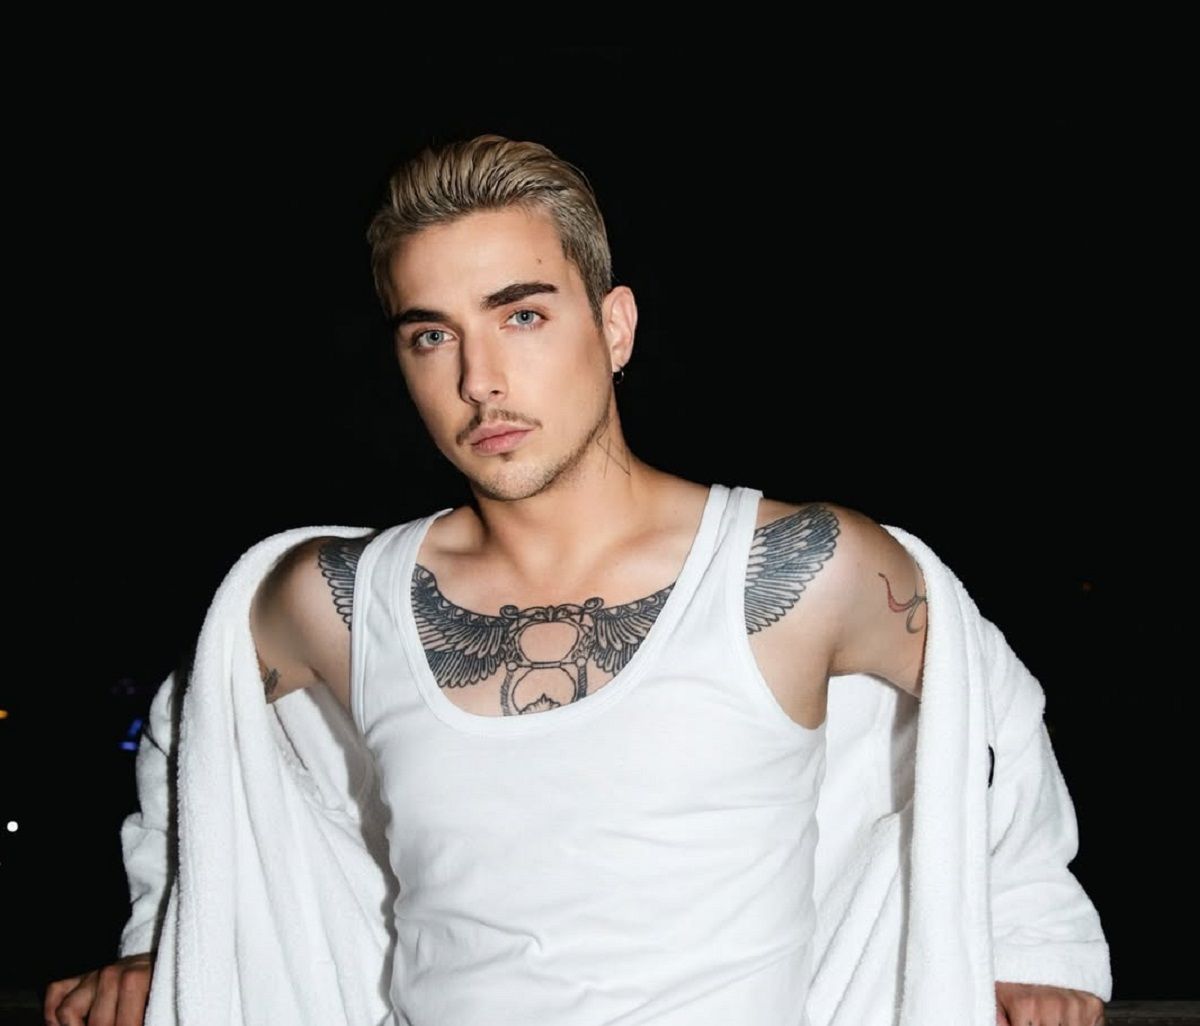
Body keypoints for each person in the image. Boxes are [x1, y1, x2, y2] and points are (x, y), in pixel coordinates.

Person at [45, 134, 1110, 1026]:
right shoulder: (337, 601)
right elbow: (206, 725)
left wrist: (1034, 938)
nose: (480, 380)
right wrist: (161, 940)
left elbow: (979, 692)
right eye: (433, 335)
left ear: (614, 326)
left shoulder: (795, 567)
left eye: (522, 315)